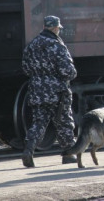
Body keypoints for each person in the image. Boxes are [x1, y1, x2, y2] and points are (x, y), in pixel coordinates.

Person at [21, 15, 77, 167]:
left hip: (36, 91)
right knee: (64, 121)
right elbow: (68, 72)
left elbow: (26, 69)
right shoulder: (57, 45)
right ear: (55, 28)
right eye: (59, 28)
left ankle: (29, 150)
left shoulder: (31, 45)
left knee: (39, 122)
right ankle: (69, 154)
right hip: (57, 91)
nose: (59, 31)